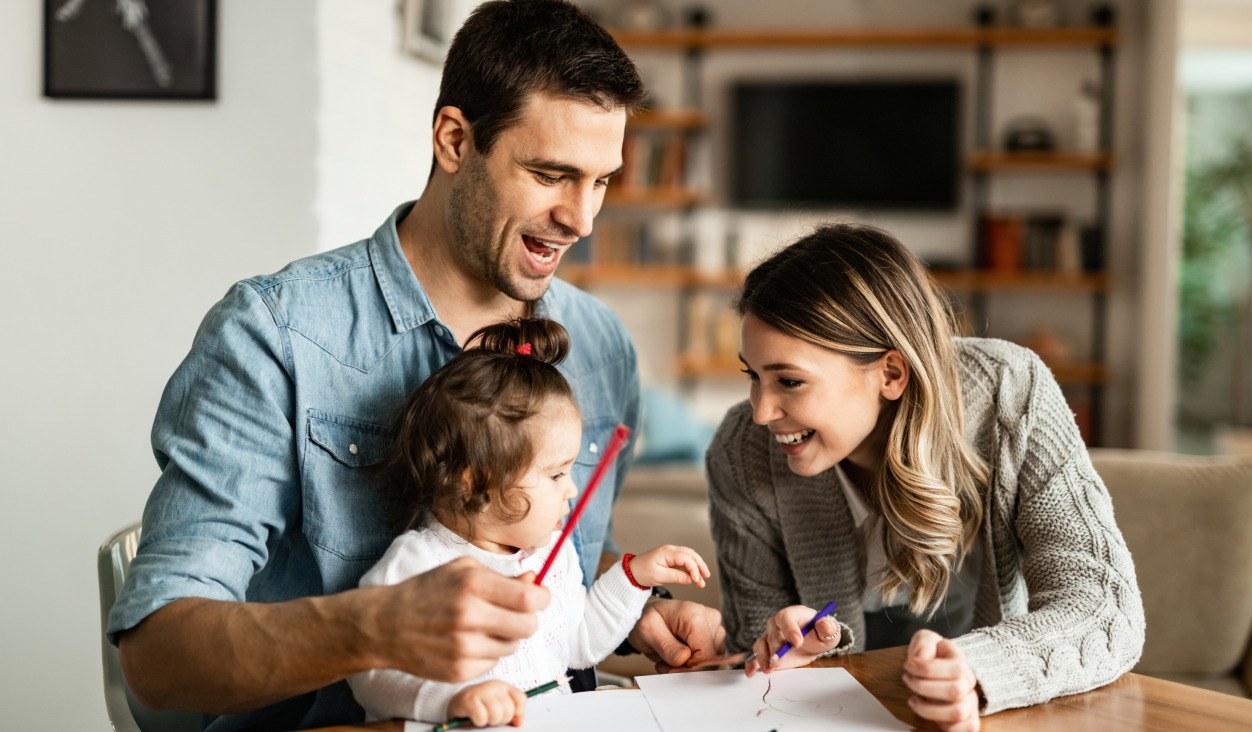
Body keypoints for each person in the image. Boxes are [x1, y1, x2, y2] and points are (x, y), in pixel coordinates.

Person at [107, 2, 723, 729]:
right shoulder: (275, 334)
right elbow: (157, 656)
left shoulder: (599, 343)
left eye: (600, 181)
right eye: (552, 173)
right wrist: (373, 626)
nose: (582, 219)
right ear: (455, 140)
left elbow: (555, 536)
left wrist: (633, 611)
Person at [707, 224, 1144, 732]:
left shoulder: (1010, 395)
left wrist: (977, 672)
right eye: (752, 377)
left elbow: (1105, 608)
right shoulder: (742, 450)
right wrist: (784, 650)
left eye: (789, 381)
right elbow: (751, 652)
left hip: (994, 711)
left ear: (890, 373)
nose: (761, 412)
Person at [348, 318, 710, 726]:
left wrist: (634, 577)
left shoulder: (552, 554)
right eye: (556, 474)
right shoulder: (417, 563)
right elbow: (372, 675)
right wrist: (453, 699)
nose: (571, 490)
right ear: (477, 482)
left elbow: (580, 645)